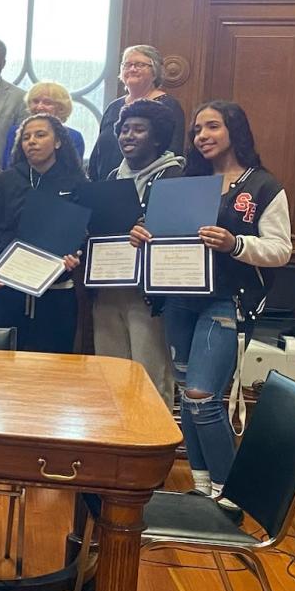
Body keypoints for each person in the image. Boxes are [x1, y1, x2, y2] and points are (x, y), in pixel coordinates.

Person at [130, 101, 291, 504]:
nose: (202, 135)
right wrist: (143, 236)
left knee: (203, 396)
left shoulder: (263, 185)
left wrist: (235, 243)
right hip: (179, 299)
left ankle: (231, 493)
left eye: (212, 127)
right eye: (197, 129)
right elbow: (161, 234)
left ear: (234, 130)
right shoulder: (183, 182)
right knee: (187, 394)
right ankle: (202, 487)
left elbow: (281, 250)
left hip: (226, 302)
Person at [91, 100, 184, 400]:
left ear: (157, 138)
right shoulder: (109, 180)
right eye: (124, 130)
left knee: (150, 380)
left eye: (139, 130)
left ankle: (154, 444)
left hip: (149, 297)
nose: (128, 136)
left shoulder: (175, 178)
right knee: (109, 377)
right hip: (108, 289)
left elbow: (180, 239)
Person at [0, 113, 87, 353]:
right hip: (6, 287)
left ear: (58, 141)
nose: (32, 141)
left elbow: (83, 233)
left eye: (40, 135)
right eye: (26, 137)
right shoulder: (4, 181)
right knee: (1, 366)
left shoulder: (77, 182)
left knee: (52, 368)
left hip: (56, 290)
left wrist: (76, 256)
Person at [88, 44, 187, 181]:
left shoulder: (168, 106)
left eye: (139, 65)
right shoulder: (113, 107)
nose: (132, 69)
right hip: (107, 185)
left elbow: (172, 152)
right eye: (127, 65)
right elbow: (99, 151)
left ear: (155, 71)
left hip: (148, 188)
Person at [0, 81, 86, 169]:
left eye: (47, 103)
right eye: (35, 101)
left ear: (61, 108)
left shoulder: (74, 136)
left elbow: (73, 171)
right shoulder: (15, 132)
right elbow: (7, 166)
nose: (39, 107)